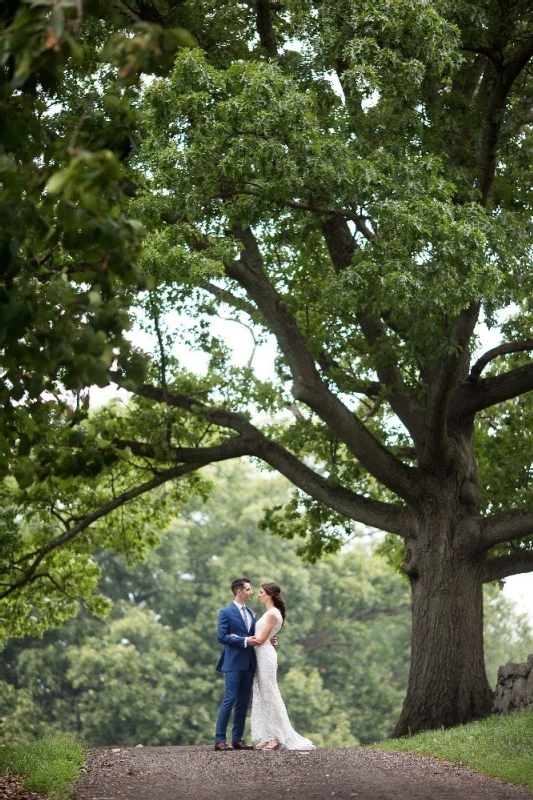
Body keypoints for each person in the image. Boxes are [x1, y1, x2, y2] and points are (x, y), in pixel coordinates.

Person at [250, 582, 315, 751]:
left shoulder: (272, 613)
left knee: (270, 693)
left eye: (261, 592)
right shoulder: (269, 613)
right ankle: (269, 735)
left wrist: (238, 638)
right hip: (262, 653)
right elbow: (267, 636)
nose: (258, 595)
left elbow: (261, 639)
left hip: (265, 655)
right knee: (264, 694)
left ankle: (277, 737)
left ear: (269, 594)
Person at [214, 577, 268, 751]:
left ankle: (237, 739)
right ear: (240, 591)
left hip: (249, 663)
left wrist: (267, 638)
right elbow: (222, 637)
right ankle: (220, 740)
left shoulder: (251, 612)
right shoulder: (226, 612)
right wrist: (244, 640)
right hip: (234, 662)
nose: (252, 592)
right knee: (229, 699)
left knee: (243, 702)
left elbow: (255, 634)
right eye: (249, 589)